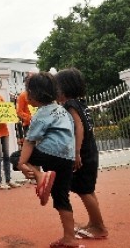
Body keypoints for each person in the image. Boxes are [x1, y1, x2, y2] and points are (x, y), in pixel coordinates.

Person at [17, 72, 82, 247]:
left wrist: (22, 164)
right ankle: (70, 238)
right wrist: (76, 154)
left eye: (27, 91)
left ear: (34, 94)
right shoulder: (63, 110)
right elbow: (73, 132)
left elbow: (30, 141)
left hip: (50, 154)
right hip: (67, 157)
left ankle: (40, 177)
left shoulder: (40, 114)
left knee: (16, 156)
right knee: (61, 196)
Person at [55, 68, 108, 239]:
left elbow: (79, 127)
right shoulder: (81, 104)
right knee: (88, 190)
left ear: (65, 88)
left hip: (83, 154)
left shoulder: (70, 105)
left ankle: (99, 227)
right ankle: (94, 222)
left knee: (84, 191)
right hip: (90, 152)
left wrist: (76, 152)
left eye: (57, 88)